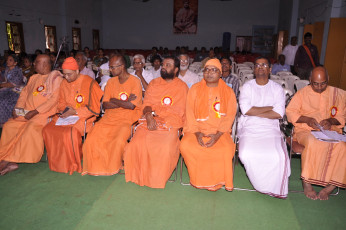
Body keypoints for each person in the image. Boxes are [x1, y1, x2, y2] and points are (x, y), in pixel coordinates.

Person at [124, 56, 188, 188]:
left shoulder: (182, 87)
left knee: (164, 148)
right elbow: (147, 104)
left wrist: (161, 115)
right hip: (151, 118)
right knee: (135, 144)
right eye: (164, 65)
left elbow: (180, 111)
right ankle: (139, 175)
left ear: (176, 70)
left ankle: (156, 179)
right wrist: (148, 116)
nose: (164, 67)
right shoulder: (154, 83)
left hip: (170, 123)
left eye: (168, 65)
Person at [286, 66, 345, 200]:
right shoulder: (302, 93)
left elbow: (341, 117)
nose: (319, 87)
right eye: (315, 84)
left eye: (323, 83)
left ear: (328, 79)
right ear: (309, 80)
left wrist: (331, 120)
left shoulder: (338, 94)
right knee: (313, 143)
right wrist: (306, 119)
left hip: (330, 132)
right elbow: (290, 113)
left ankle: (330, 187)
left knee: (342, 147)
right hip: (306, 131)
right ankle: (307, 183)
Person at [180, 59, 237, 191]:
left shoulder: (228, 92)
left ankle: (217, 181)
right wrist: (197, 133)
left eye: (214, 70)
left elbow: (230, 116)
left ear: (220, 73)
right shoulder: (194, 89)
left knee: (225, 149)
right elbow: (189, 113)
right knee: (186, 145)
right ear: (203, 72)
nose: (210, 73)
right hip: (195, 130)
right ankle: (199, 180)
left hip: (220, 132)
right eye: (207, 70)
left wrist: (217, 135)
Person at [0, 55, 63, 175]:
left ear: (45, 64)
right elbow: (24, 94)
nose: (34, 64)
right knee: (9, 125)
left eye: (37, 62)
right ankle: (4, 156)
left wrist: (35, 111)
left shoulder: (56, 79)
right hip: (26, 112)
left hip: (43, 114)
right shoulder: (33, 77)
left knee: (30, 129)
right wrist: (17, 108)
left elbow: (53, 100)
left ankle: (8, 160)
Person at [237, 56, 290, 199]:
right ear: (254, 69)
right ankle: (259, 184)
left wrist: (256, 110)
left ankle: (274, 188)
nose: (261, 68)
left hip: (270, 128)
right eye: (258, 65)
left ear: (270, 69)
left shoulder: (277, 88)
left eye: (264, 65)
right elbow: (245, 110)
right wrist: (268, 108)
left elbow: (279, 113)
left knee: (278, 157)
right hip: (249, 127)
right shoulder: (247, 87)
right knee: (245, 153)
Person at [82, 55, 142, 176]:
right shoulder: (110, 82)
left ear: (122, 66)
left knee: (118, 140)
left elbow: (131, 107)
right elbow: (105, 105)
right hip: (109, 117)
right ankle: (95, 167)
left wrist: (114, 100)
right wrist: (123, 102)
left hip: (127, 118)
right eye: (110, 67)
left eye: (112, 67)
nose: (110, 70)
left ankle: (113, 167)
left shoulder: (135, 81)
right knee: (92, 138)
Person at [42, 57, 103, 175]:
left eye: (69, 74)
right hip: (66, 115)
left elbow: (94, 109)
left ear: (77, 71)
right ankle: (57, 162)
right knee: (48, 129)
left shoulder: (89, 83)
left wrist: (75, 112)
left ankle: (73, 163)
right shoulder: (64, 83)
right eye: (64, 75)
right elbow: (61, 103)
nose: (66, 78)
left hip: (84, 117)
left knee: (69, 132)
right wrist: (65, 111)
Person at [0, 54, 24, 126]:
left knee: (3, 100)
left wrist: (1, 85)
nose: (7, 61)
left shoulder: (17, 71)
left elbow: (13, 84)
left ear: (15, 63)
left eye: (10, 60)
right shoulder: (7, 69)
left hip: (16, 90)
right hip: (8, 89)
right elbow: (6, 80)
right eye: (7, 60)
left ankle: (6, 121)